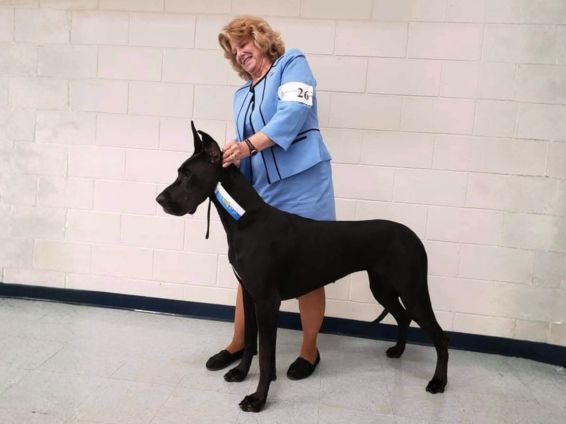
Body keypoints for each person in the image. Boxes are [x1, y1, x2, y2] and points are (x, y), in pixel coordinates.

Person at [206, 16, 335, 380]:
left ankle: (309, 350)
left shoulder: (292, 64)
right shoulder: (240, 94)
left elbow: (292, 116)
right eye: (234, 51)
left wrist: (246, 146)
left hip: (305, 184)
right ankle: (240, 342)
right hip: (263, 192)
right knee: (250, 270)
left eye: (242, 43)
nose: (239, 53)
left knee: (312, 269)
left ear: (261, 39)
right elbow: (245, 151)